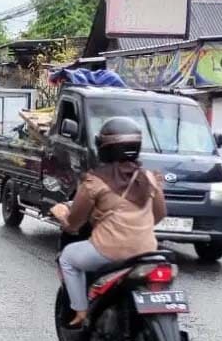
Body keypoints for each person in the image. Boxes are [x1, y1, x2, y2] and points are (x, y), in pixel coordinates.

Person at [50, 117, 167, 328]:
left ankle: (80, 311)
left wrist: (62, 216)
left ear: (104, 147)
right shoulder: (149, 177)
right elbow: (159, 215)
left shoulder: (94, 181)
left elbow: (75, 223)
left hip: (108, 251)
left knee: (67, 258)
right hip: (147, 251)